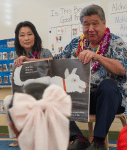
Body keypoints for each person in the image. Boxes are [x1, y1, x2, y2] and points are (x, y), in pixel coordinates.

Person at [53, 4, 127, 150]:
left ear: (104, 23)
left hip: (107, 100)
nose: (90, 29)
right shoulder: (75, 43)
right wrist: (27, 61)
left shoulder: (116, 42)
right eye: (86, 24)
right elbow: (55, 60)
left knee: (108, 85)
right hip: (80, 99)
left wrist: (97, 56)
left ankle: (98, 142)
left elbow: (122, 69)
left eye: (95, 23)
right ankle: (77, 138)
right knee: (53, 92)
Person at [3, 21, 53, 147]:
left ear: (35, 36)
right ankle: (20, 137)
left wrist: (29, 60)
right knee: (8, 100)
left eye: (29, 34)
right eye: (22, 35)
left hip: (44, 94)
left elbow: (52, 64)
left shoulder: (44, 52)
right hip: (25, 94)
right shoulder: (17, 57)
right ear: (18, 38)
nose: (26, 38)